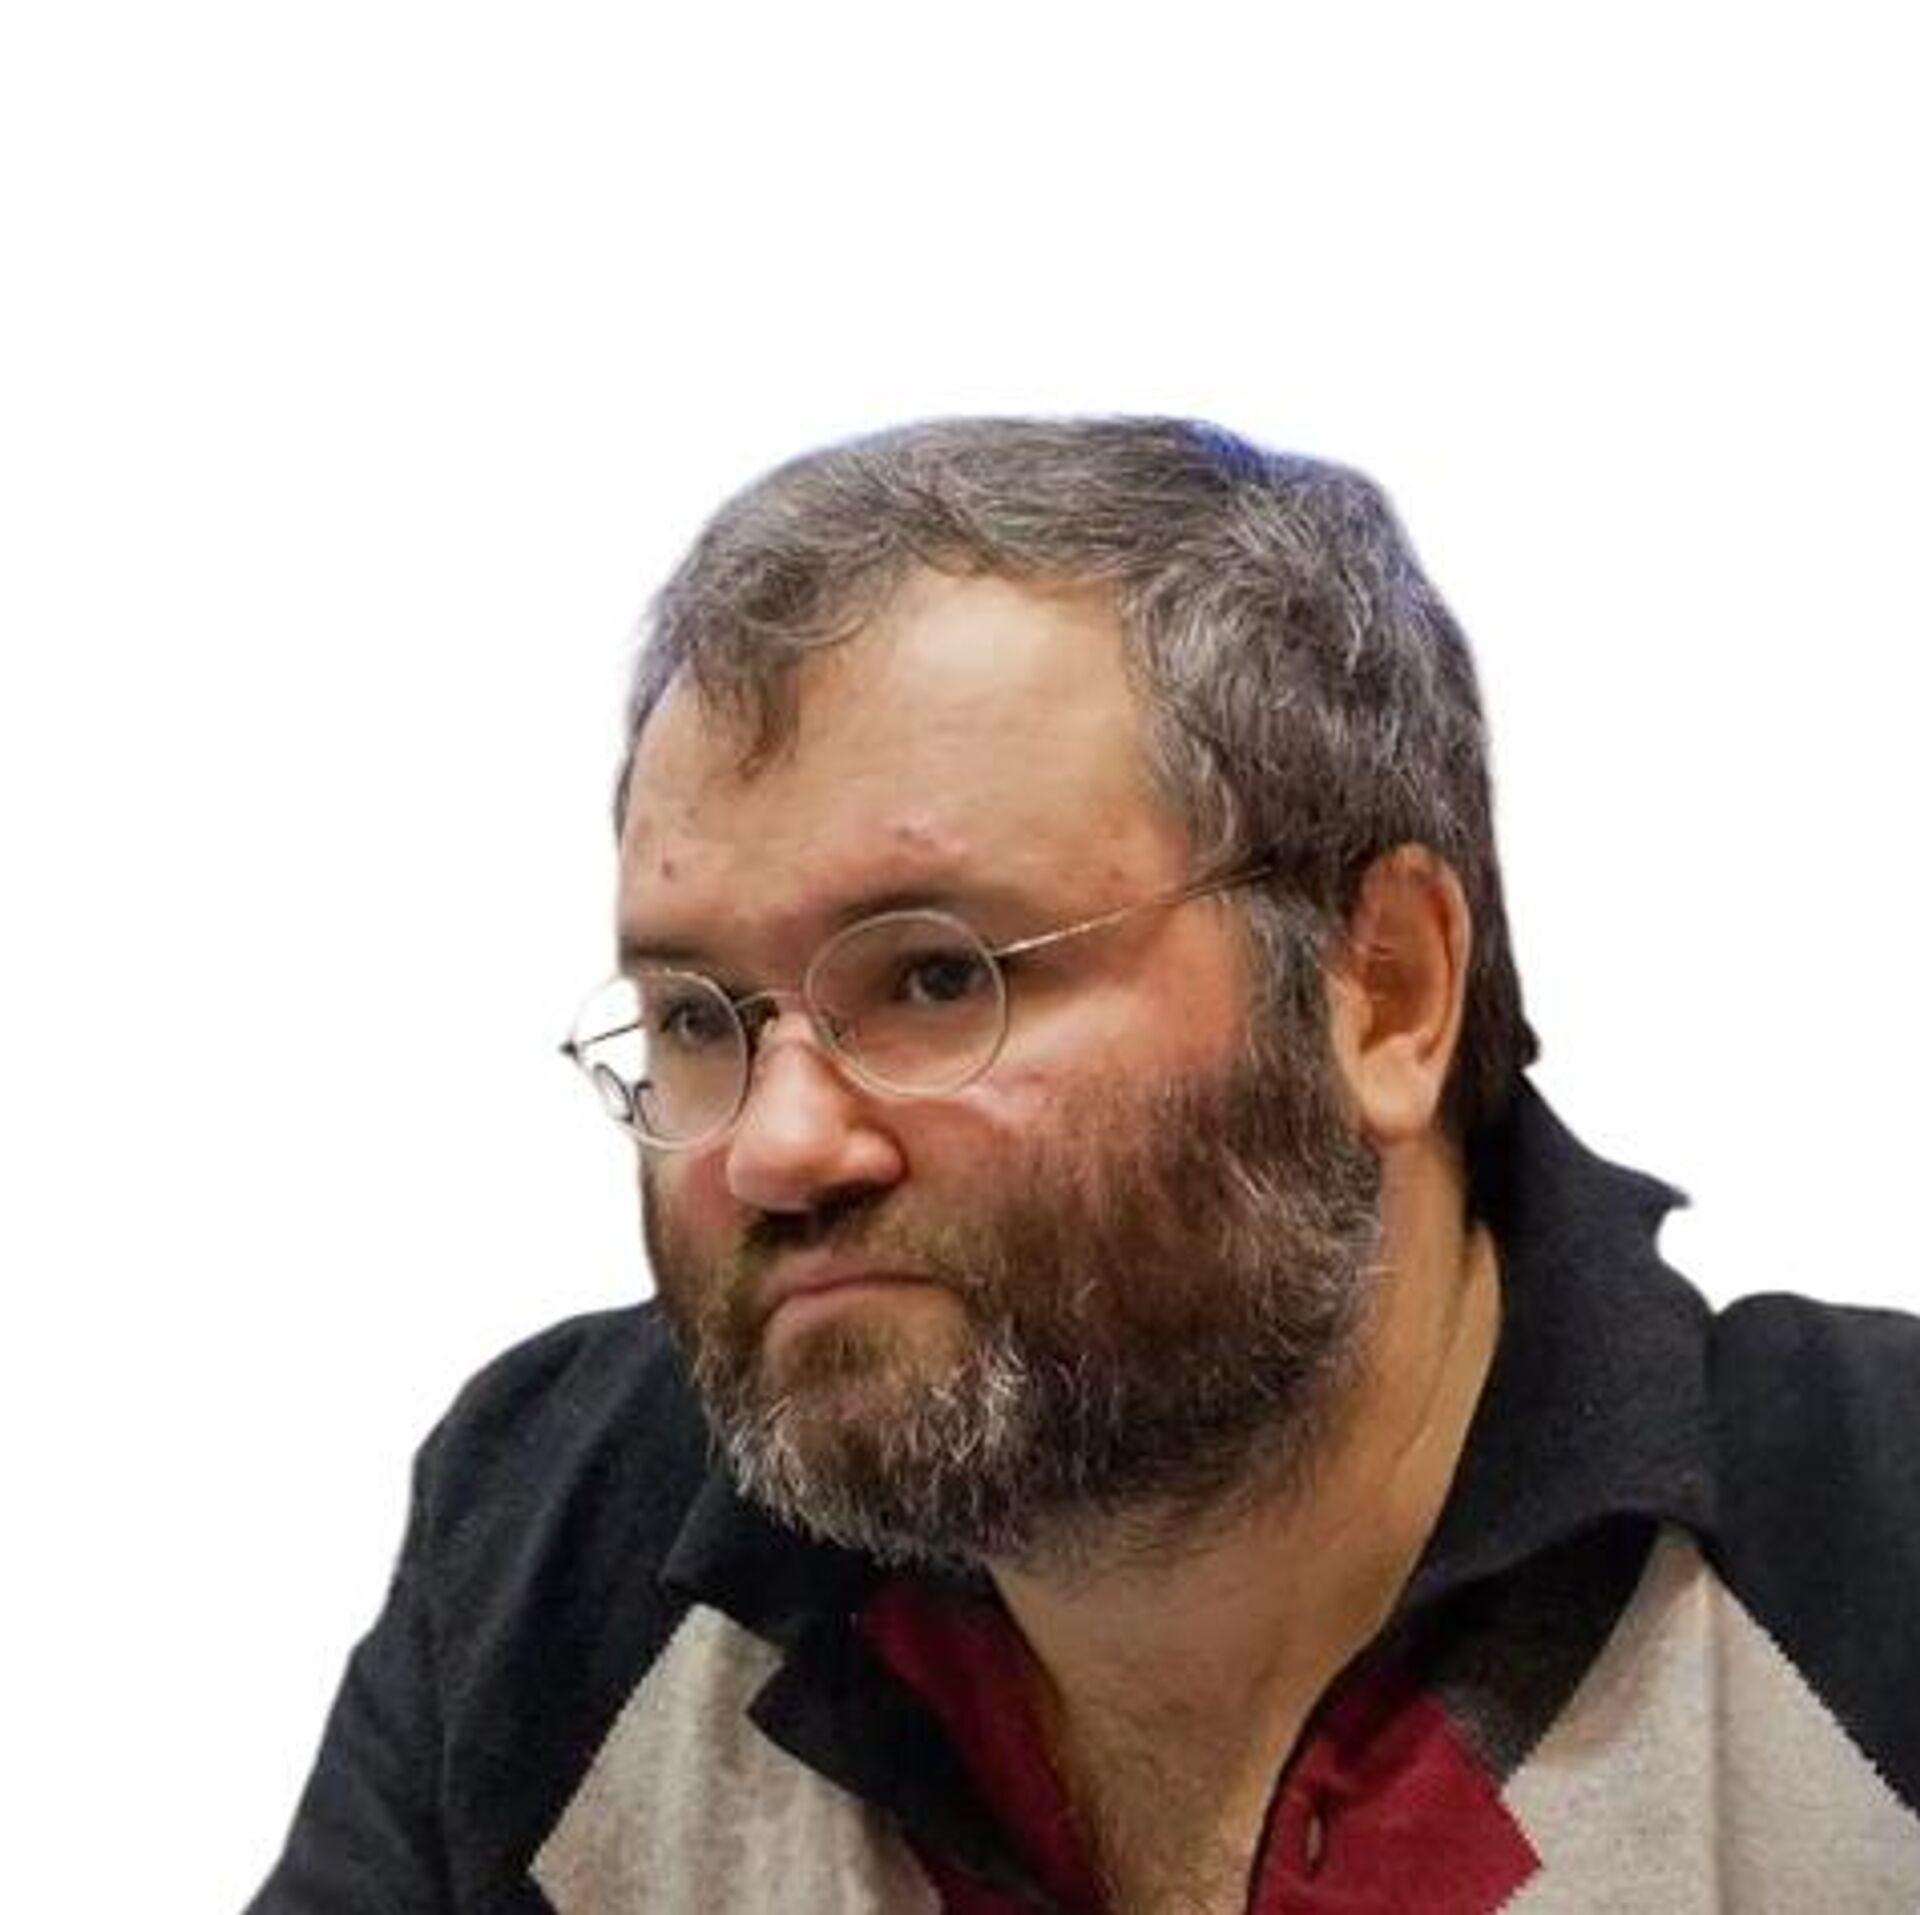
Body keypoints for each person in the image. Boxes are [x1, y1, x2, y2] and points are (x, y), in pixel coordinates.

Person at [249, 419, 1920, 1914]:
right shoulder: (558, 1543)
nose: (779, 1147)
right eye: (696, 1017)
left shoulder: (1872, 1571)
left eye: (934, 978)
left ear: (1386, 990)